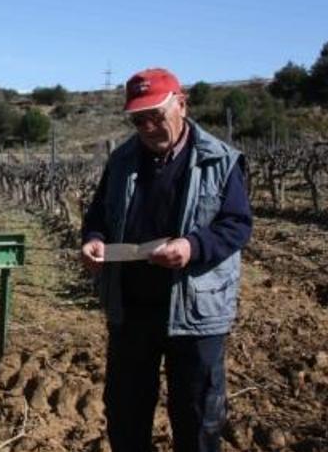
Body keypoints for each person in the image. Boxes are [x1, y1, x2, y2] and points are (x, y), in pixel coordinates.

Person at [80, 68, 252, 452]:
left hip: (196, 313)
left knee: (198, 417)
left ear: (181, 104)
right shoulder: (122, 160)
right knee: (126, 413)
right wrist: (93, 239)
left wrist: (192, 247)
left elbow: (237, 225)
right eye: (139, 119)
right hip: (133, 311)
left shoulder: (220, 161)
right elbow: (98, 216)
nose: (148, 127)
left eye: (156, 115)